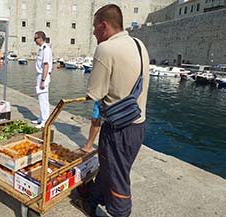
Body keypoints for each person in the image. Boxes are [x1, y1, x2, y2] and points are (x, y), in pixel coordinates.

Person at [80, 4, 150, 217]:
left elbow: (94, 93)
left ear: (104, 25)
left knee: (118, 178)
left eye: (94, 27)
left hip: (118, 129)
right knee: (113, 167)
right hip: (138, 124)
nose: (93, 32)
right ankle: (93, 199)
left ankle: (120, 212)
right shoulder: (139, 44)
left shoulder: (106, 48)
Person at [31, 31, 53, 129]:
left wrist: (43, 80)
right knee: (40, 98)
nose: (34, 41)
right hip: (40, 76)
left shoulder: (46, 49)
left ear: (41, 38)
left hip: (43, 76)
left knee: (43, 99)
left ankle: (45, 120)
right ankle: (41, 118)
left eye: (35, 38)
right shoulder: (41, 49)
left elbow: (46, 65)